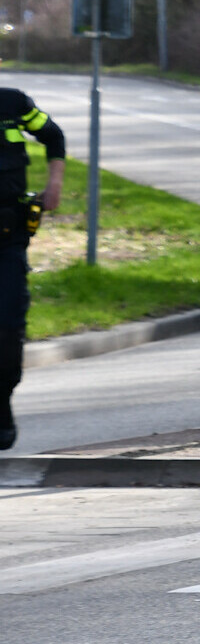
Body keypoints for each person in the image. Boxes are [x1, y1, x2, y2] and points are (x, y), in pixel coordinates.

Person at [1, 66, 64, 451]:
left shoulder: (13, 103)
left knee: (7, 328)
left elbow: (52, 135)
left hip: (7, 239)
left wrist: (54, 181)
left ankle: (1, 402)